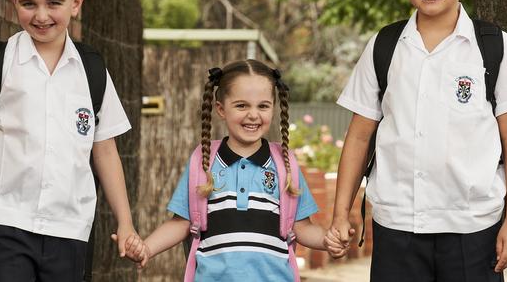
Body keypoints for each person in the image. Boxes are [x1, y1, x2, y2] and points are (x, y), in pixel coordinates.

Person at [326, 0, 507, 282]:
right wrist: (340, 211)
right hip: (398, 227)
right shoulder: (385, 46)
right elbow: (360, 136)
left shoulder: (493, 46)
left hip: (474, 228)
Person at [0, 0, 143, 281]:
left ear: (76, 3)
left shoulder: (92, 72)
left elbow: (105, 150)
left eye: (54, 3)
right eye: (28, 4)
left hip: (70, 229)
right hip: (5, 220)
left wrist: (125, 222)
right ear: (13, 1)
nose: (41, 16)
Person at [124, 59, 343, 280]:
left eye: (263, 106)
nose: (253, 114)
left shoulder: (285, 164)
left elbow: (302, 227)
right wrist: (147, 248)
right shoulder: (203, 161)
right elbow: (182, 223)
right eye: (242, 105)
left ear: (273, 108)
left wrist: (328, 241)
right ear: (221, 109)